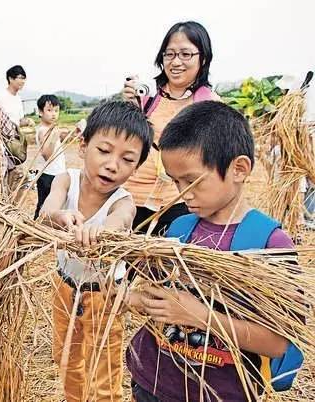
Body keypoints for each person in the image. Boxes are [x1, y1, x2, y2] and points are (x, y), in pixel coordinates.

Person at [125, 101, 296, 402]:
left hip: (220, 393)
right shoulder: (179, 228)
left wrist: (201, 316)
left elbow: (278, 343)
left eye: (191, 181)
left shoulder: (269, 245)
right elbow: (160, 296)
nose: (182, 193)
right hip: (151, 381)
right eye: (175, 181)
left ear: (239, 169)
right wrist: (135, 299)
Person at [40, 101, 153, 402]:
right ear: (83, 146)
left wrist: (101, 232)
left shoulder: (123, 201)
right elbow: (47, 209)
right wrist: (59, 217)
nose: (112, 164)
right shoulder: (67, 180)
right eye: (104, 151)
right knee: (66, 358)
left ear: (137, 167)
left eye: (127, 159)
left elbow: (119, 222)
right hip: (64, 287)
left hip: (105, 294)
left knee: (104, 365)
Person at [122, 21, 220, 235]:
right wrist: (128, 109)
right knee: (129, 266)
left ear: (202, 58)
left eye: (186, 54)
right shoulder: (147, 96)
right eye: (169, 54)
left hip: (177, 202)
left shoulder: (209, 104)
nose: (176, 62)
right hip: (130, 197)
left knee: (167, 265)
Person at [0, 65, 34, 194]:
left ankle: (8, 201)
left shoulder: (18, 99)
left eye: (24, 78)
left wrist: (27, 121)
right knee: (2, 172)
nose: (22, 81)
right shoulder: (0, 97)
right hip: (0, 141)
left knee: (17, 175)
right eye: (19, 78)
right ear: (10, 78)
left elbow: (19, 121)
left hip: (13, 142)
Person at [33, 95, 67, 219]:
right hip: (47, 175)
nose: (54, 114)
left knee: (56, 204)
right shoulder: (43, 130)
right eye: (49, 110)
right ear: (41, 112)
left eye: (56, 111)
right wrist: (54, 136)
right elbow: (47, 154)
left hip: (57, 172)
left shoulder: (51, 129)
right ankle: (36, 228)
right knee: (44, 204)